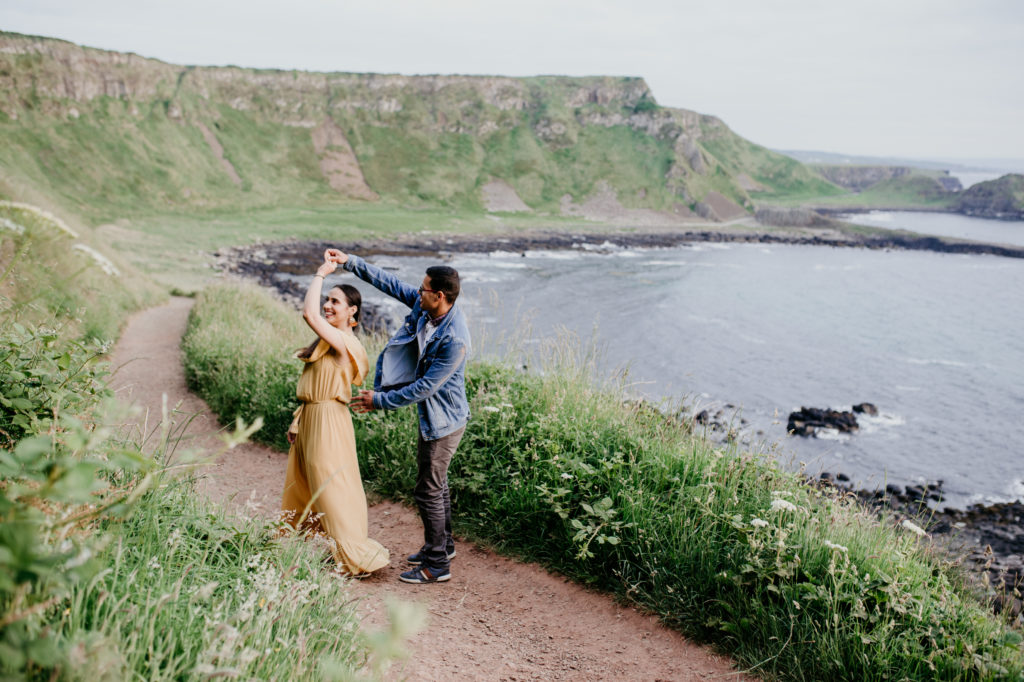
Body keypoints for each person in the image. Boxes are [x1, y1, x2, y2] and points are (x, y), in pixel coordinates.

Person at [326, 247, 470, 585]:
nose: (417, 292)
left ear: (439, 295)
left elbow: (424, 388)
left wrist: (380, 400)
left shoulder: (454, 340)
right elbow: (389, 283)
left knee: (428, 490)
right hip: (434, 417)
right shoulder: (426, 307)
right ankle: (443, 546)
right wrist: (351, 262)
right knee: (437, 484)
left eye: (423, 289)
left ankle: (436, 565)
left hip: (444, 422)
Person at [280, 250, 389, 577]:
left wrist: (320, 274)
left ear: (352, 311)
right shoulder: (331, 340)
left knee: (332, 485)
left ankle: (355, 554)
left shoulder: (344, 343)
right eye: (327, 300)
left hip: (329, 421)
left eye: (335, 302)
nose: (328, 306)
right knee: (306, 482)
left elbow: (309, 315)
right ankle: (325, 546)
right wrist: (299, 419)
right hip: (313, 416)